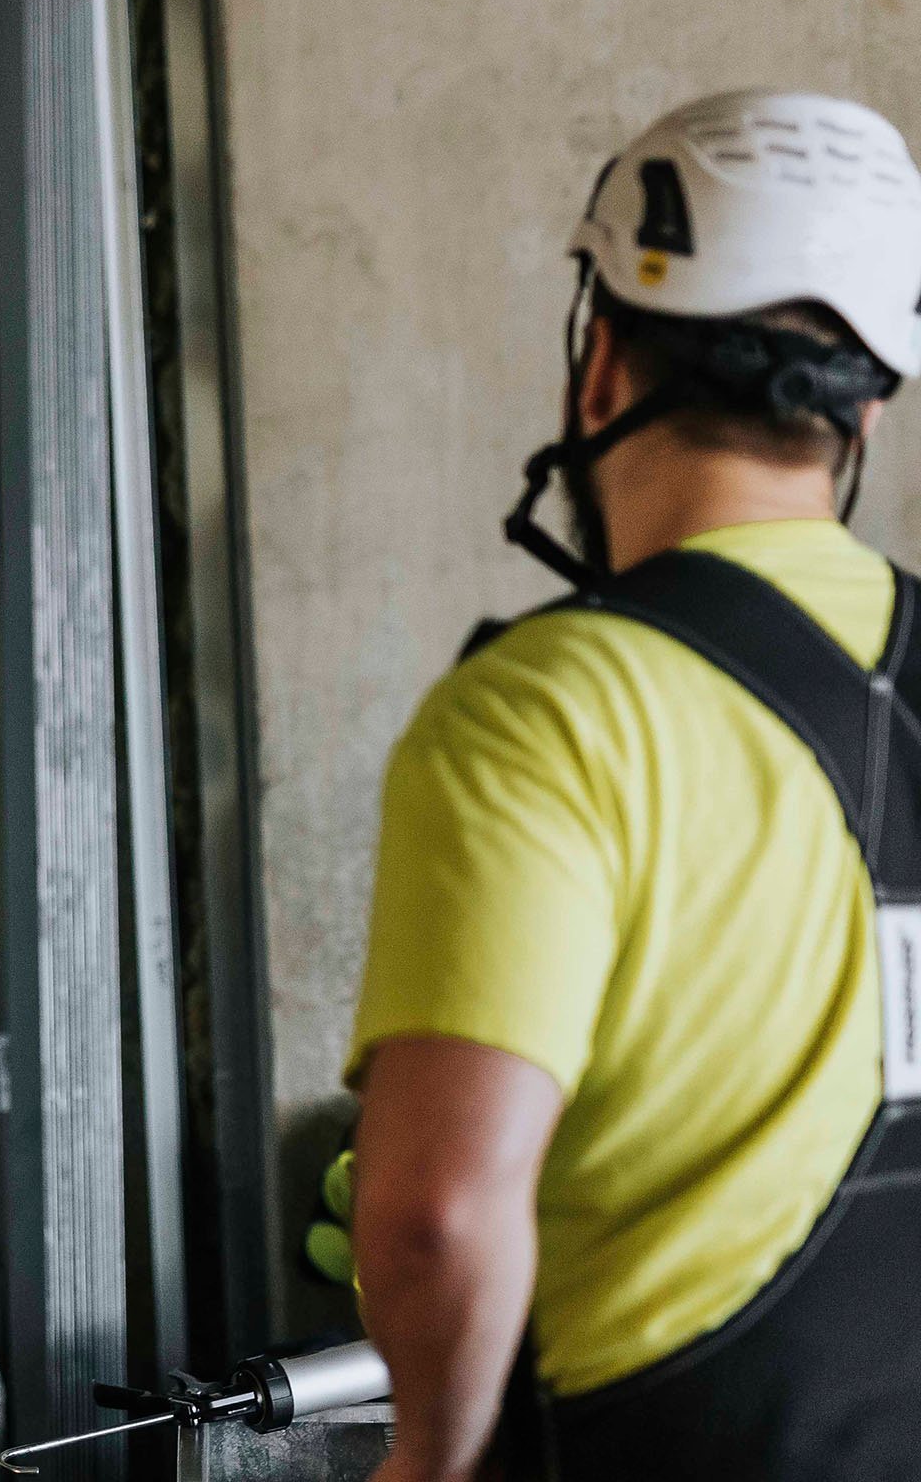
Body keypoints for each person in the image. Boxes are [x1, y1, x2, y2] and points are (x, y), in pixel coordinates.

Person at [345, 89, 921, 1482]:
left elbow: (437, 1216)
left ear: (599, 365)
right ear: (859, 415)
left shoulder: (544, 713)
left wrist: (428, 1457)